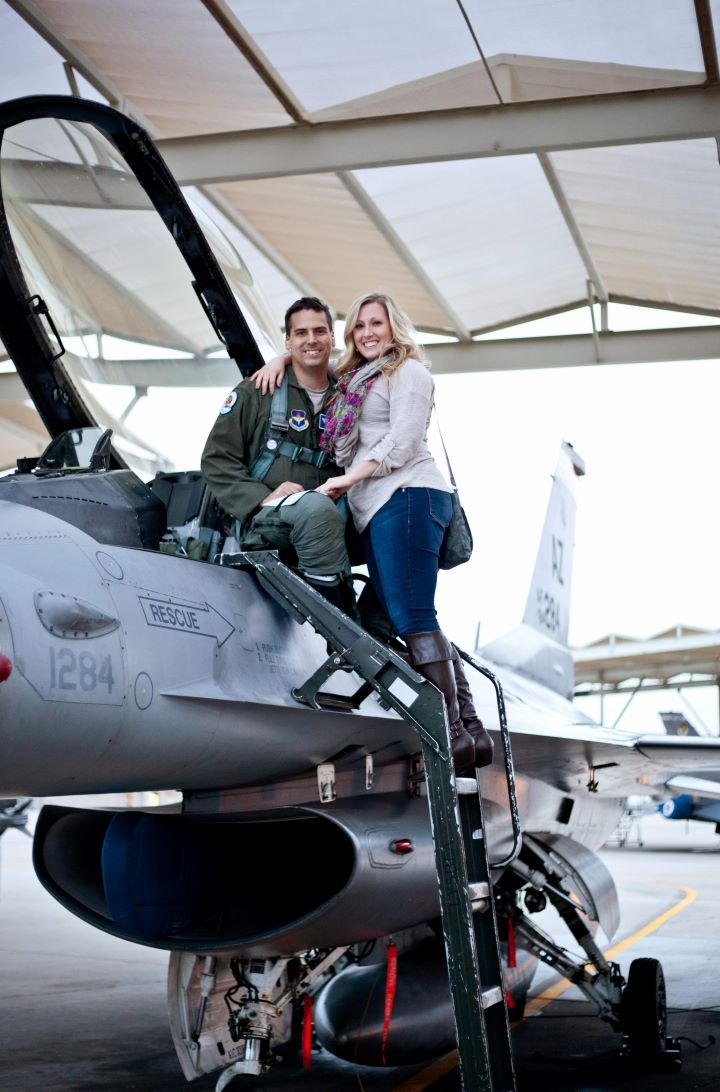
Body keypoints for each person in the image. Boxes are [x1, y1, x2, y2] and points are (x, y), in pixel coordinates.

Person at [256, 292, 492, 774]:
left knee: (413, 618)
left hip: (407, 495)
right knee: (414, 615)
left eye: (376, 323)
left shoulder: (409, 372)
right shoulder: (358, 379)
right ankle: (470, 731)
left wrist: (347, 478)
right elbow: (313, 363)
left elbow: (402, 442)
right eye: (359, 326)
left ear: (394, 327)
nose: (367, 332)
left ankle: (449, 736)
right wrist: (282, 357)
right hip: (380, 506)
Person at [200, 297, 355, 614]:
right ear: (288, 340)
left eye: (319, 331)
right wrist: (262, 497)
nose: (311, 340)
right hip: (267, 522)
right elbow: (216, 460)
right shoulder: (257, 392)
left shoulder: (350, 395)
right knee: (315, 509)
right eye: (300, 333)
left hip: (335, 516)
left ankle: (379, 631)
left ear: (332, 337)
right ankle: (340, 626)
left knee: (407, 519)